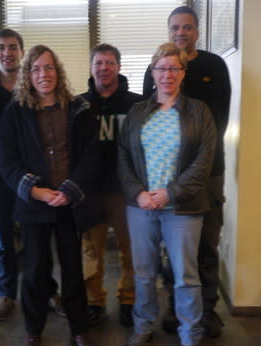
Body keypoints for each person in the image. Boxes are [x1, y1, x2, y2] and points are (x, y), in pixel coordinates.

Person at [0, 44, 101, 346]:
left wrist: (70, 190)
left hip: (70, 204)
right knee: (34, 271)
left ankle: (78, 327)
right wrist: (34, 190)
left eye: (49, 68)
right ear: (28, 74)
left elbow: (91, 155)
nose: (44, 74)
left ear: (59, 72)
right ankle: (33, 329)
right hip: (34, 205)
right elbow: (7, 159)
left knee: (73, 268)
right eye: (37, 68)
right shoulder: (15, 111)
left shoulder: (79, 107)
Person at [118, 42, 216, 346]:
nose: (167, 74)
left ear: (183, 73)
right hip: (141, 207)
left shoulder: (199, 112)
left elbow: (204, 162)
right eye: (161, 68)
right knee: (144, 274)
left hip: (183, 208)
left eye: (174, 68)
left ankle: (191, 334)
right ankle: (143, 326)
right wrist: (138, 193)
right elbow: (122, 156)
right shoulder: (137, 112)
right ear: (153, 72)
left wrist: (169, 193)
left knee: (186, 277)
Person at [142, 6, 231, 338]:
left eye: (188, 27)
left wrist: (192, 168)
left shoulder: (214, 66)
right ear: (169, 31)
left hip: (209, 173)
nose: (181, 32)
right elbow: (147, 124)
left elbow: (219, 123)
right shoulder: (156, 67)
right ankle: (174, 309)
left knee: (206, 243)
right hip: (164, 177)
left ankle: (206, 310)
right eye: (175, 27)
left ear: (197, 30)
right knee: (172, 246)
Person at [0, 28, 64, 321]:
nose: (7, 53)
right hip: (0, 176)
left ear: (22, 52)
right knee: (3, 239)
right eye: (1, 47)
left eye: (13, 47)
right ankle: (6, 293)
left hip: (35, 177)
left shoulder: (35, 88)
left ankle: (47, 290)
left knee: (40, 238)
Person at [79, 43, 142, 327]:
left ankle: (128, 299)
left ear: (118, 66)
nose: (103, 68)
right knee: (92, 251)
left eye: (109, 63)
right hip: (90, 191)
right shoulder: (78, 105)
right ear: (91, 68)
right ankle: (94, 301)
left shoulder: (136, 105)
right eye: (98, 63)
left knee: (132, 250)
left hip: (126, 191)